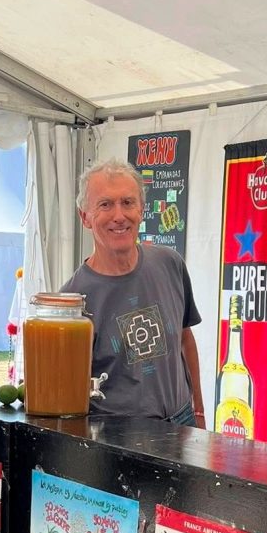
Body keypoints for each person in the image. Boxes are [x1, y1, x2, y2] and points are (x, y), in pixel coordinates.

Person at [62, 158, 206, 426]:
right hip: (119, 434)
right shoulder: (71, 301)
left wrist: (198, 411)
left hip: (183, 420)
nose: (119, 215)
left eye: (128, 202)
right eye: (105, 204)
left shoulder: (170, 263)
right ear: (85, 217)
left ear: (141, 210)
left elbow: (185, 339)